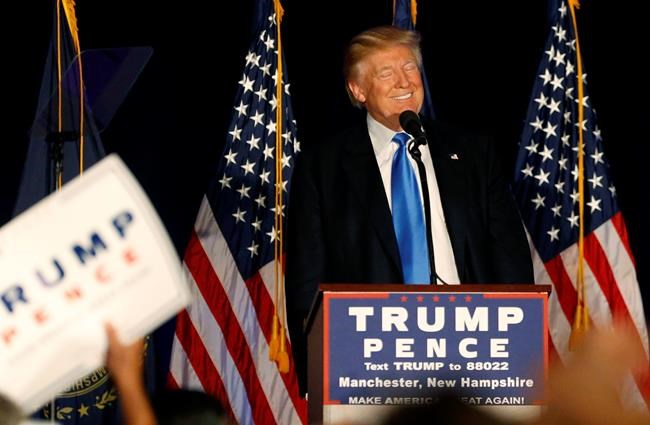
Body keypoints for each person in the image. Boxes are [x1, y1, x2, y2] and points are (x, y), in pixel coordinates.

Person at [285, 25, 533, 393]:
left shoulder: (472, 154)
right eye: (386, 73)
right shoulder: (323, 166)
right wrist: (316, 369)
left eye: (409, 68)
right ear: (358, 90)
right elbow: (307, 275)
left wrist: (520, 352)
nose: (404, 82)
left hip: (474, 347)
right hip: (370, 356)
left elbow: (510, 258)